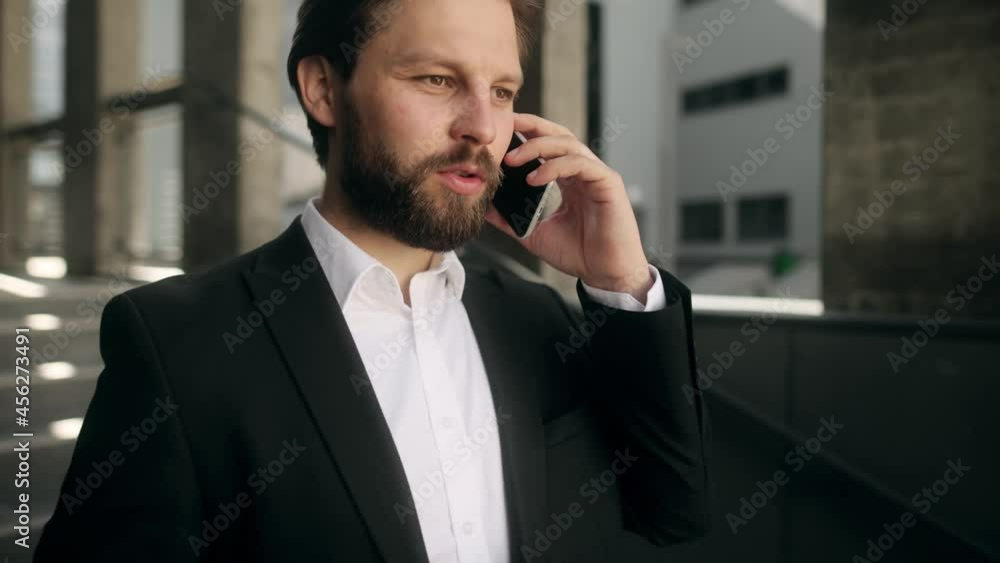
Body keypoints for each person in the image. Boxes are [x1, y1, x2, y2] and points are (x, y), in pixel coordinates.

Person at [34, 0, 710, 561]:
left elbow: (673, 511)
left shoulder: (537, 320)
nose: (482, 125)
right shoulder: (177, 344)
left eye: (502, 91)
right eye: (436, 80)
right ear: (324, 88)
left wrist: (621, 280)